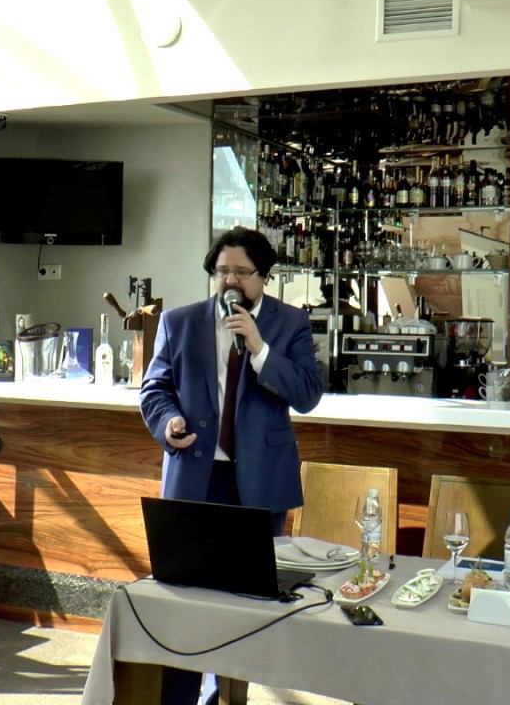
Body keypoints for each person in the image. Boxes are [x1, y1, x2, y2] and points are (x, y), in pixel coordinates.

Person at [139, 227, 324, 705]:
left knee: (247, 607)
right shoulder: (180, 322)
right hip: (195, 481)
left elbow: (308, 394)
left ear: (264, 276)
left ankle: (226, 695)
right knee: (184, 604)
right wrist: (167, 422)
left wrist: (260, 349)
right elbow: (154, 389)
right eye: (222, 271)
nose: (231, 281)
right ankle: (179, 699)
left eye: (242, 272)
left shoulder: (290, 323)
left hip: (259, 484)